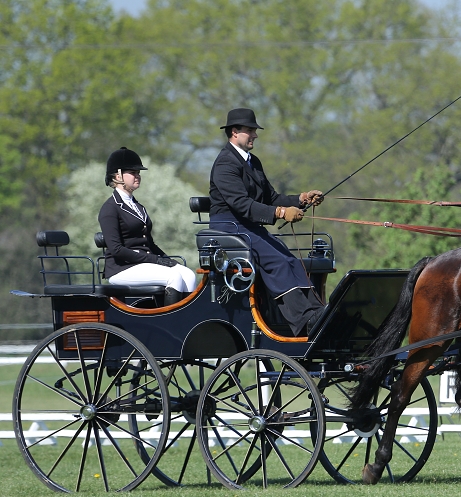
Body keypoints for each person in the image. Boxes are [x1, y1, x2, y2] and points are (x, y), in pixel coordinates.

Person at [209, 108, 325, 336]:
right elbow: (242, 204)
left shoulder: (253, 162)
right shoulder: (225, 164)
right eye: (250, 130)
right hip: (229, 228)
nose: (255, 135)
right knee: (277, 261)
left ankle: (317, 312)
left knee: (290, 259)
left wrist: (300, 199)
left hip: (249, 227)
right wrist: (281, 213)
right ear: (235, 132)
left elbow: (270, 198)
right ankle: (304, 322)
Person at [98, 147, 197, 306]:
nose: (138, 176)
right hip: (121, 268)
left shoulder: (137, 206)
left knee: (188, 274)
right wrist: (155, 260)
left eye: (139, 173)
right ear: (118, 176)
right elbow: (116, 249)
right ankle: (169, 323)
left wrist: (166, 260)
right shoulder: (110, 208)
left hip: (142, 264)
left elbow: (149, 243)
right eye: (133, 172)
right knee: (174, 277)